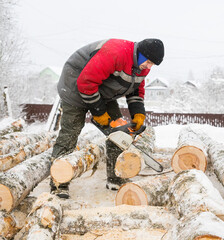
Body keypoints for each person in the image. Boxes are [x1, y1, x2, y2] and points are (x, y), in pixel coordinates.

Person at [50, 38, 164, 198]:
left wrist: (138, 113)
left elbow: (136, 90)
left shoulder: (142, 67)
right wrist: (99, 113)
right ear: (141, 53)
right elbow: (86, 82)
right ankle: (58, 183)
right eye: (149, 62)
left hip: (101, 90)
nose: (149, 67)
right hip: (75, 84)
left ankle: (115, 178)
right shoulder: (115, 53)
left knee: (118, 132)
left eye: (153, 64)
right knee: (71, 131)